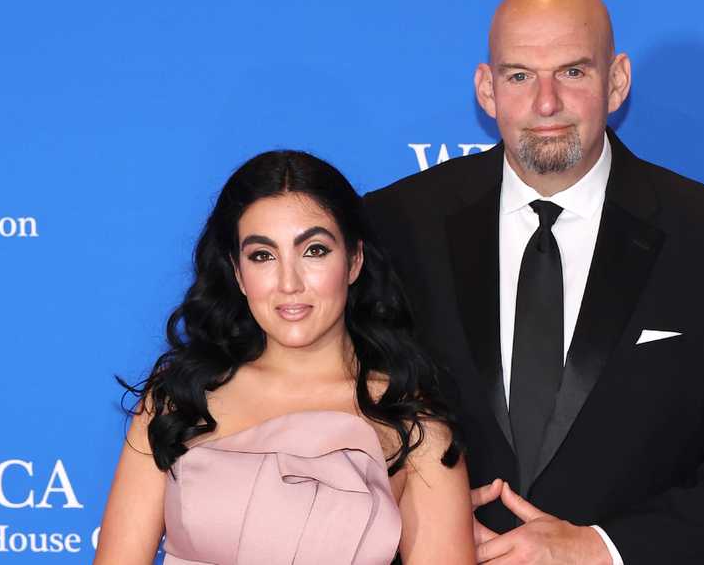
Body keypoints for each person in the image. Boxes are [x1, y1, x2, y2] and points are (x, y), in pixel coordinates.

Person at [364, 0, 704, 564]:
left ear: (617, 80)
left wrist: (599, 550)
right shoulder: (393, 226)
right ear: (486, 88)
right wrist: (425, 528)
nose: (545, 102)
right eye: (519, 75)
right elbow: (337, 425)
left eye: (572, 72)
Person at [95, 151, 476, 564]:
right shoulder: (177, 399)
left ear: (354, 261)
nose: (289, 283)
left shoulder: (411, 419)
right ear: (238, 273)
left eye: (313, 250)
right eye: (263, 256)